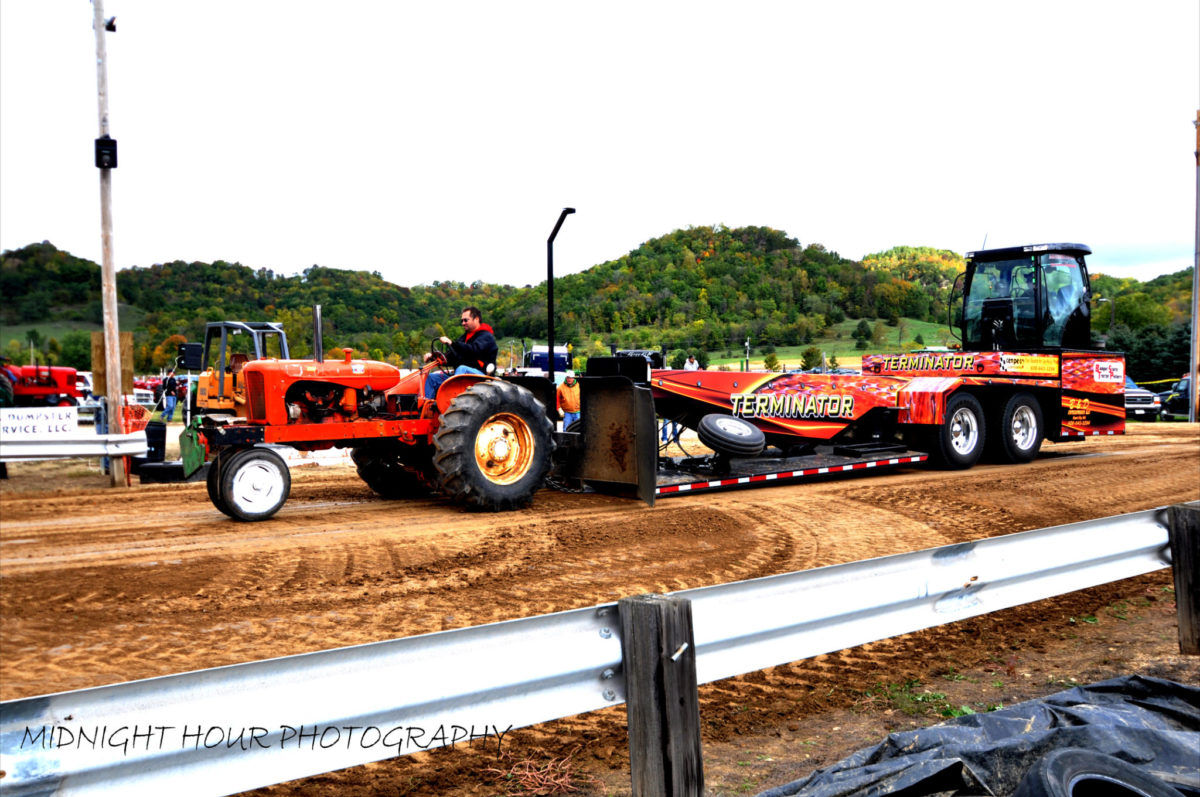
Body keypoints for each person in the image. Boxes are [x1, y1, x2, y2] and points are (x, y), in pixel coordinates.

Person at [422, 306, 498, 399]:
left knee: (462, 369)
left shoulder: (486, 336)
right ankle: (427, 409)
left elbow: (473, 350)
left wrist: (451, 343)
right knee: (432, 378)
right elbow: (453, 357)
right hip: (462, 376)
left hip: (481, 376)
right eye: (462, 321)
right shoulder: (463, 338)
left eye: (466, 320)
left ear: (476, 319)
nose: (463, 323)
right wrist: (433, 357)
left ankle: (453, 402)